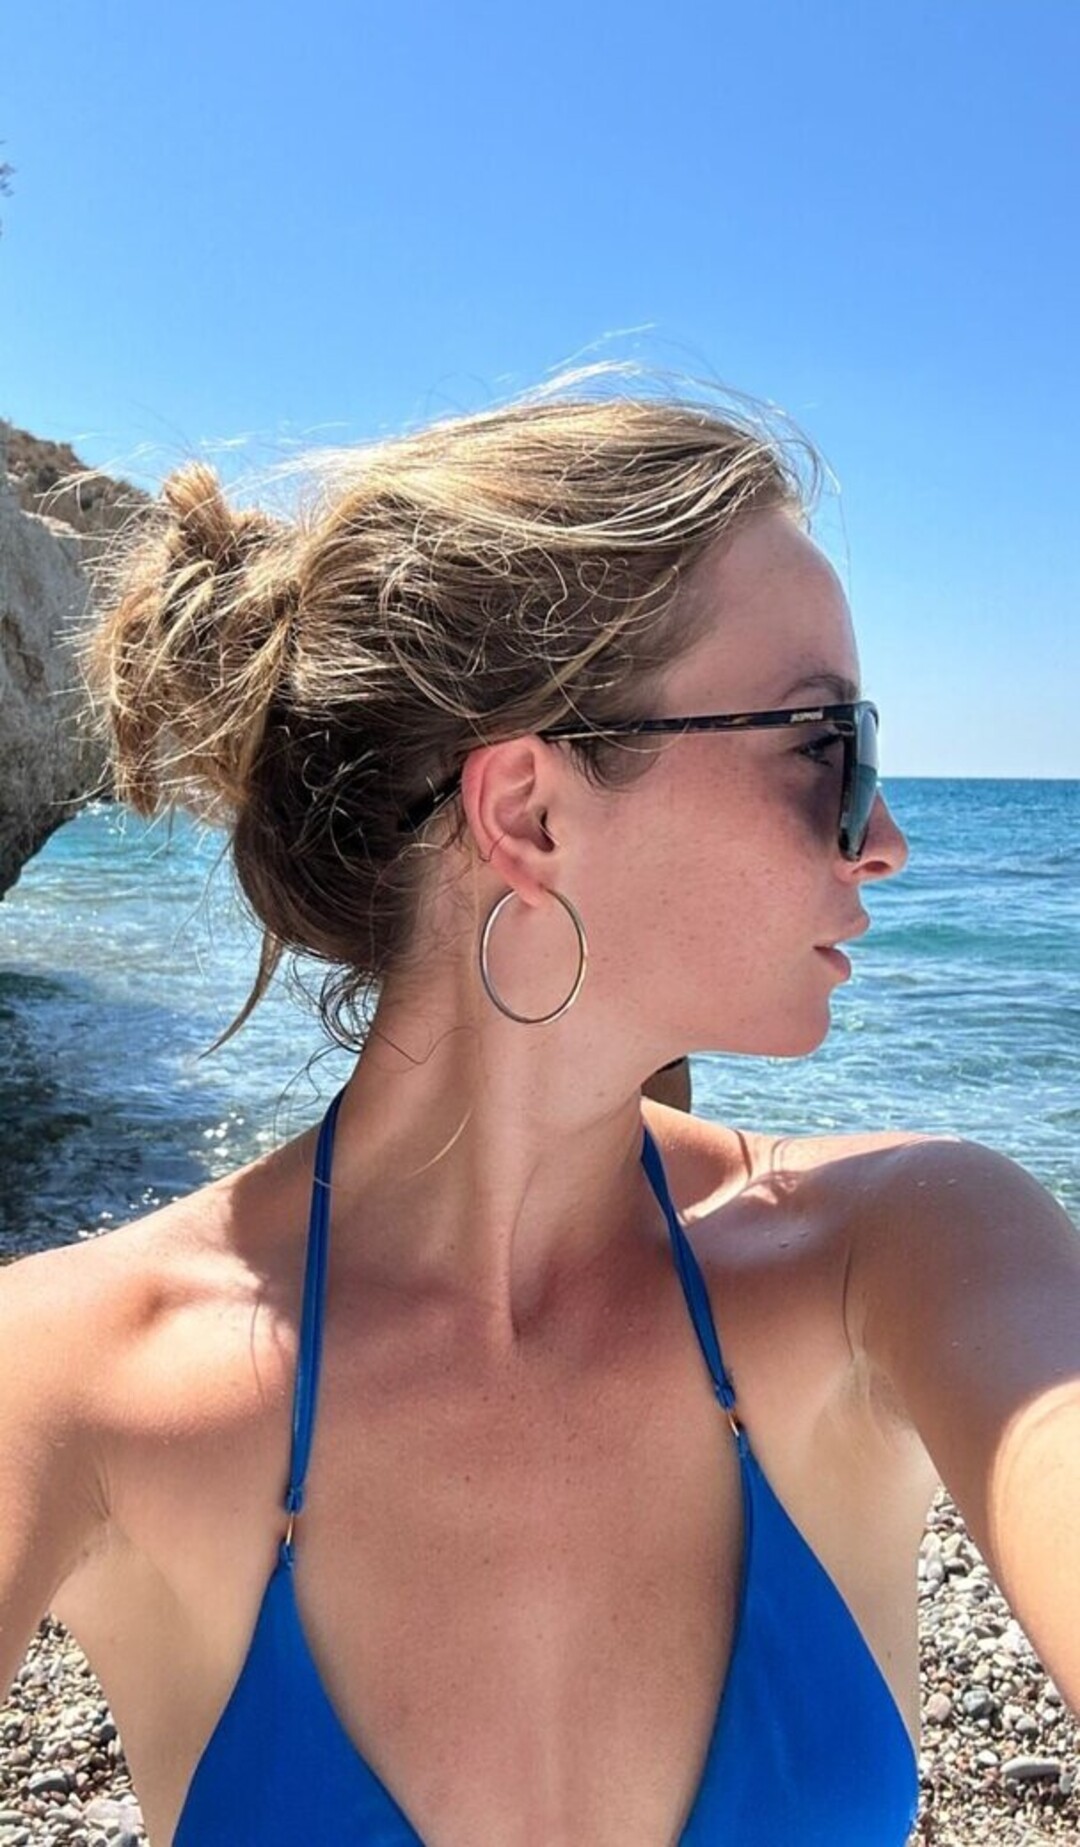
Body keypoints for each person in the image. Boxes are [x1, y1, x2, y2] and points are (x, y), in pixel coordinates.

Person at [2, 382, 1078, 1847]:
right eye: (825, 745)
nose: (882, 838)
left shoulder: (914, 1252)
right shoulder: (68, 1378)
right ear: (528, 813)